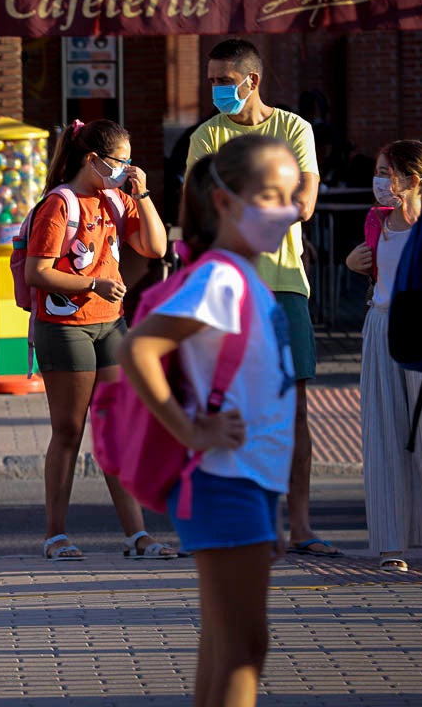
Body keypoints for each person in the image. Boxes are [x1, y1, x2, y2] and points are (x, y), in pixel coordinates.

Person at [120, 134, 301, 707]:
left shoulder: (246, 279)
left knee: (228, 644)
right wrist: (190, 432)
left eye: (292, 196)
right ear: (225, 201)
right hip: (224, 481)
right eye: (270, 195)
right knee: (245, 646)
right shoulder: (220, 277)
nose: (287, 209)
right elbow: (138, 350)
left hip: (246, 482)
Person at [185, 39, 338, 558]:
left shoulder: (294, 130)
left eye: (224, 80)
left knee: (293, 411)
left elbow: (306, 202)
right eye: (211, 81)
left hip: (283, 286)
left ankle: (301, 526)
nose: (216, 90)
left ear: (251, 81)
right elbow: (201, 212)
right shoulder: (206, 136)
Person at [25, 118, 173, 561]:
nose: (127, 168)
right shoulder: (60, 204)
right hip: (64, 327)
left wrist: (141, 194)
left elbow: (156, 247)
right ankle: (56, 535)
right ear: (93, 160)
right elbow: (38, 271)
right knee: (69, 430)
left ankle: (137, 535)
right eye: (120, 161)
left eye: (130, 160)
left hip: (111, 324)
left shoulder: (115, 198)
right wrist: (91, 285)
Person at [344, 140, 422, 572]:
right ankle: (391, 546)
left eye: (384, 171)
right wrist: (355, 263)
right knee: (383, 432)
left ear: (409, 179)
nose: (378, 180)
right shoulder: (376, 221)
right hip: (381, 324)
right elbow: (374, 271)